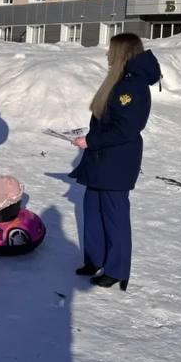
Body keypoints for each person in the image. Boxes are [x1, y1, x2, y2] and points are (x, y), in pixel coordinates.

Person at [69, 33, 160, 291]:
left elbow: (126, 129)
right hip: (101, 158)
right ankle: (94, 259)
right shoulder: (119, 81)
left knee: (114, 216)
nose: (107, 55)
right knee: (93, 209)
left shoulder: (132, 86)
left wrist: (91, 142)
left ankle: (117, 269)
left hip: (116, 160)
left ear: (122, 53)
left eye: (111, 50)